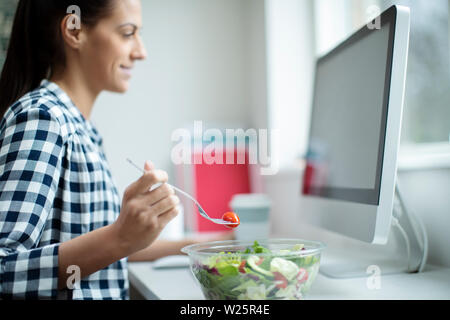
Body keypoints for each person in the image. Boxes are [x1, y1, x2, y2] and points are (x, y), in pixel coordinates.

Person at [0, 0, 232, 300]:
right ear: (74, 32)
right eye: (127, 33)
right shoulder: (44, 119)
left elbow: (101, 252)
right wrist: (120, 237)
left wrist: (214, 244)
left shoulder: (82, 128)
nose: (141, 51)